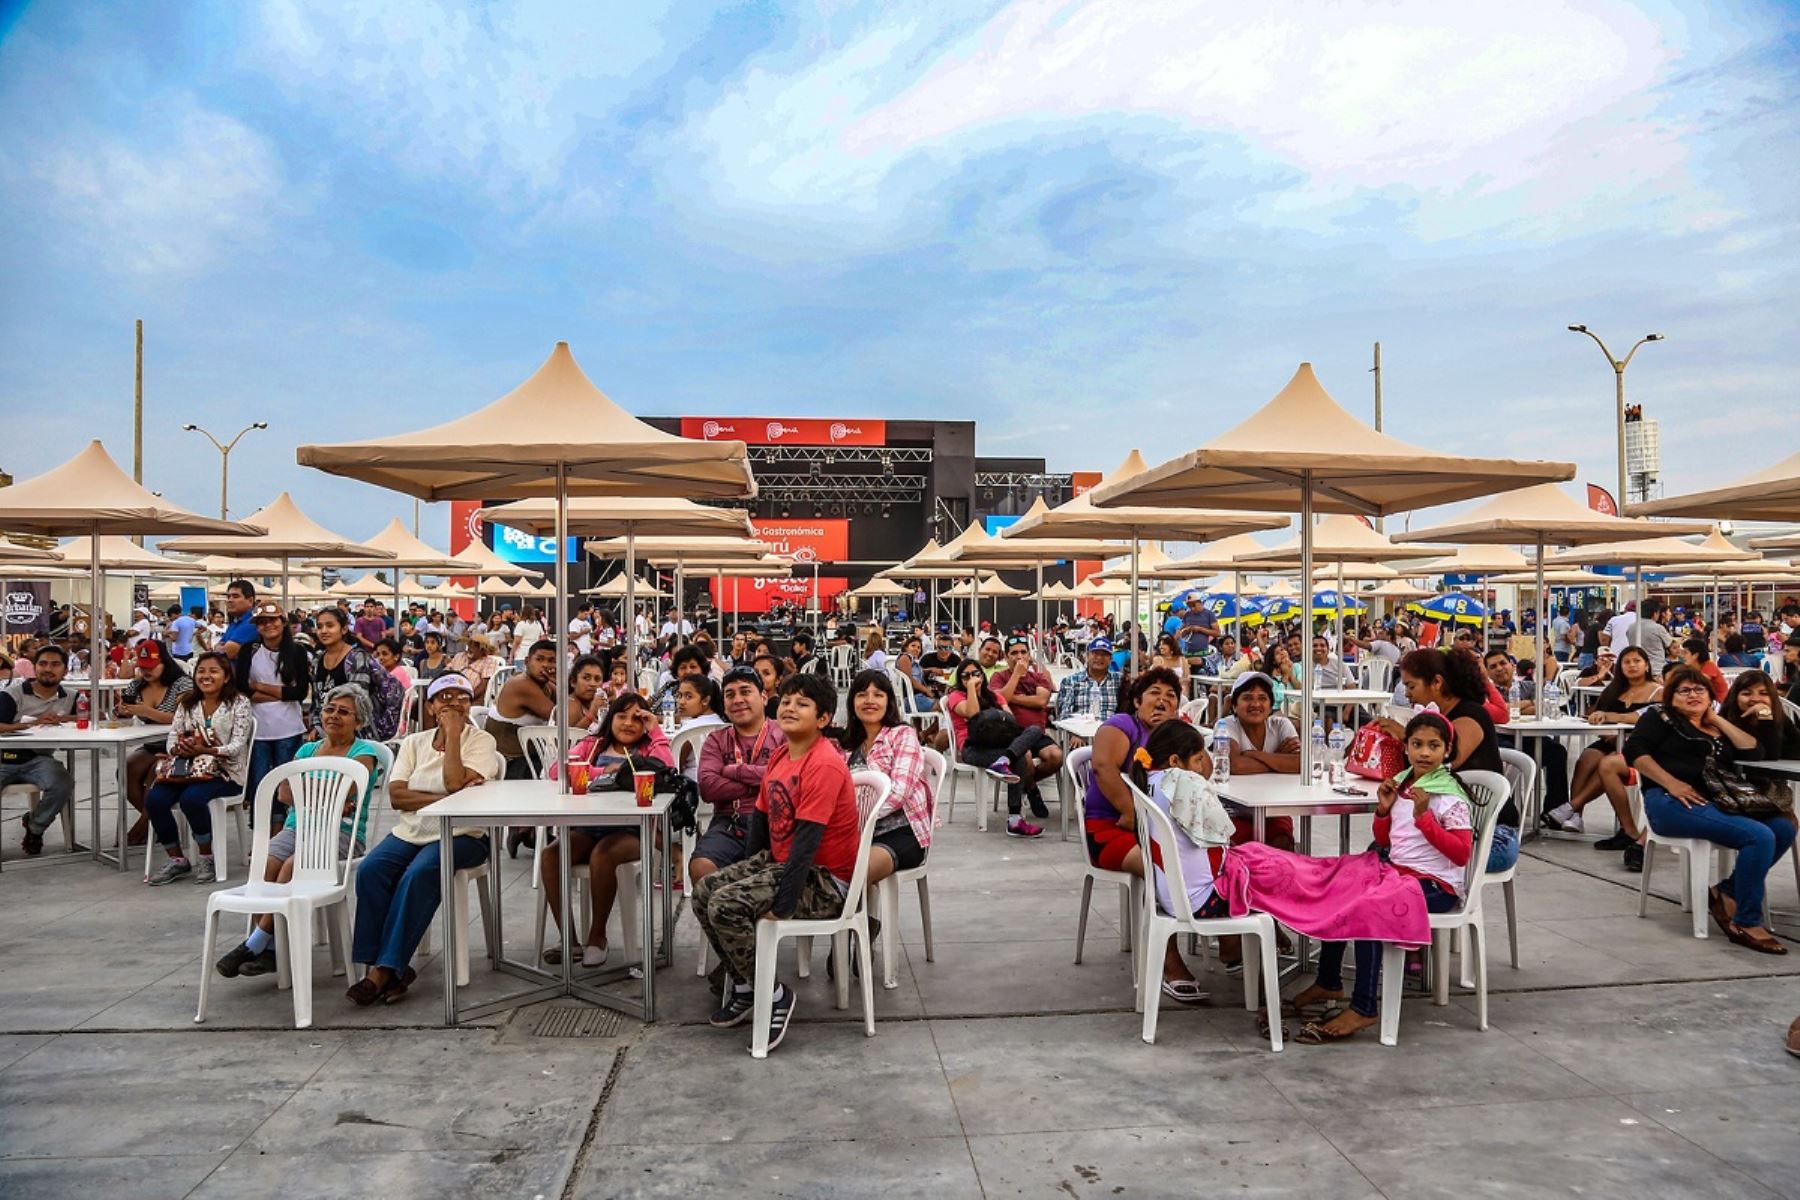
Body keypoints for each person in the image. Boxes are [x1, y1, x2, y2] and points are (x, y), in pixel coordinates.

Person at [693, 672, 861, 1052]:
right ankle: (748, 984)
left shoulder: (824, 764)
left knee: (726, 905)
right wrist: (748, 870)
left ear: (823, 719)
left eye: (802, 704)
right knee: (705, 891)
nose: (789, 707)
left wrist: (782, 907)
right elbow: (762, 821)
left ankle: (774, 994)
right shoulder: (784, 753)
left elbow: (806, 844)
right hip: (784, 863)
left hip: (824, 881)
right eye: (786, 700)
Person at [1292, 711, 1476, 1042]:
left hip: (1437, 885)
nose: (1424, 752)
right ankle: (1329, 980)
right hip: (1401, 873)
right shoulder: (1405, 782)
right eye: (1417, 744)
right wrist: (1383, 810)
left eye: (1433, 746)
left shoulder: (1447, 794)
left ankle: (1364, 1006)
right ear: (1405, 748)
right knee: (1342, 888)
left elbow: (1461, 853)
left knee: (1367, 908)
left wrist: (1425, 819)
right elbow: (1389, 840)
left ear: (1447, 751)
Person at [346, 675, 501, 1004]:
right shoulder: (414, 743)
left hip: (464, 833)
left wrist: (455, 736)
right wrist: (448, 799)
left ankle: (384, 971)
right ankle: (384, 964)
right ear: (430, 707)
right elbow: (398, 796)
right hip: (411, 831)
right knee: (372, 870)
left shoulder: (482, 741)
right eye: (443, 697)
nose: (452, 703)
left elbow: (454, 780)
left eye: (461, 697)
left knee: (419, 874)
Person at [214, 685, 384, 978]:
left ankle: (256, 944)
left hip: (340, 833)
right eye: (329, 709)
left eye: (344, 712)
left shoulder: (364, 754)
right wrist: (326, 795)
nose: (333, 716)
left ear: (359, 722)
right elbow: (284, 794)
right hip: (297, 827)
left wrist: (310, 792)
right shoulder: (307, 749)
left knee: (293, 867)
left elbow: (346, 797)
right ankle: (272, 948)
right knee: (264, 863)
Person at [1626, 664, 1794, 954]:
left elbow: (1754, 751)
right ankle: (1745, 921)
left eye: (1700, 689)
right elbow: (1634, 751)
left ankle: (1726, 892)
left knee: (1783, 826)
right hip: (1670, 802)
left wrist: (1714, 717)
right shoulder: (1660, 716)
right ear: (1671, 696)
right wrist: (1672, 783)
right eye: (1684, 690)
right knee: (1759, 836)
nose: (1693, 694)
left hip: (1716, 800)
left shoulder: (1716, 726)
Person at [538, 692, 672, 966]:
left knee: (603, 854)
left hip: (633, 831)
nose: (628, 724)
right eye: (621, 716)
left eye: (637, 718)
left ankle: (597, 936)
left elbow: (667, 769)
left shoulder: (647, 749)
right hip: (589, 826)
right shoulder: (593, 745)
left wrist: (655, 728)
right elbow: (556, 771)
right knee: (551, 855)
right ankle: (570, 940)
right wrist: (607, 773)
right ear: (610, 719)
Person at [1376, 648, 1511, 870]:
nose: (1407, 694)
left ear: (1436, 683)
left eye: (1411, 686)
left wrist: (1407, 735)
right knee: (1380, 852)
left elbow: (1449, 762)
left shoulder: (1471, 714)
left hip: (1492, 835)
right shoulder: (1437, 719)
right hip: (1444, 825)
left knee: (1384, 858)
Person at [1126, 719, 1229, 1002]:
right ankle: (1255, 960)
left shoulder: (1149, 780)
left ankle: (1236, 952)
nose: (1200, 766)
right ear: (1175, 760)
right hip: (1201, 901)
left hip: (1170, 895)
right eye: (1197, 759)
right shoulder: (1182, 782)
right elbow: (1223, 832)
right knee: (1278, 875)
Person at [1543, 645, 1661, 867]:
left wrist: (1611, 716)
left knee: (1606, 764)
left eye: (1637, 661)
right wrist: (1600, 721)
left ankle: (1571, 807)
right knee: (1588, 756)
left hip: (1639, 747)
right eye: (1627, 662)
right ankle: (1576, 815)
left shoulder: (1658, 691)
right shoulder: (1614, 690)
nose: (1632, 665)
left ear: (1646, 665)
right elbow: (1593, 714)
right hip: (1610, 741)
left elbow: (1645, 719)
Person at [144, 651, 255, 885]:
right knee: (155, 799)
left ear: (226, 677)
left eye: (213, 671)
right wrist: (180, 749)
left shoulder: (239, 703)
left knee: (192, 799)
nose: (206, 676)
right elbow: (173, 736)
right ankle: (177, 859)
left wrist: (208, 750)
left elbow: (236, 746)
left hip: (225, 772)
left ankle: (206, 856)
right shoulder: (187, 702)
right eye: (201, 671)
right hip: (186, 769)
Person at [1084, 667, 1185, 873]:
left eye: (1170, 695)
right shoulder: (1123, 724)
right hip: (1113, 826)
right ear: (1138, 702)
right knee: (1168, 867)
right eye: (1155, 692)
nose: (1162, 700)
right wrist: (1131, 814)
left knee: (1210, 861)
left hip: (1162, 828)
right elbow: (1103, 767)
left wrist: (1174, 731)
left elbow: (1204, 770)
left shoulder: (1177, 733)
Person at [692, 667, 781, 896]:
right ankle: (726, 930)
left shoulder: (782, 734)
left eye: (745, 691)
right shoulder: (717, 739)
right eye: (730, 695)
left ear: (763, 696)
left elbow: (786, 780)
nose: (738, 700)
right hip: (730, 823)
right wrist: (760, 780)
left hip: (776, 823)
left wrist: (734, 771)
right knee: (701, 867)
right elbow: (709, 787)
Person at [840, 670, 934, 887]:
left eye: (878, 694)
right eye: (862, 694)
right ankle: (862, 921)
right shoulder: (847, 745)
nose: (869, 701)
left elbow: (899, 791)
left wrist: (858, 819)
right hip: (856, 833)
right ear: (852, 702)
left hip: (901, 831)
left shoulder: (902, 735)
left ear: (889, 702)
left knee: (851, 874)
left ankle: (854, 920)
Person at [947, 658, 1056, 836]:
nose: (972, 678)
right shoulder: (956, 696)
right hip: (973, 747)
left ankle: (1005, 759)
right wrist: (971, 690)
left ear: (982, 676)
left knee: (1034, 730)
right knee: (1019, 758)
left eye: (976, 674)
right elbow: (972, 715)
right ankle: (1015, 819)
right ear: (960, 680)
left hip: (1000, 742)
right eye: (966, 676)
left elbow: (1010, 720)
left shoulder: (994, 696)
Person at [235, 602, 310, 830]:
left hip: (289, 726)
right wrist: (278, 693)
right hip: (259, 728)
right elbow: (242, 687)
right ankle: (261, 831)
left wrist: (260, 686)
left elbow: (299, 692)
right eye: (262, 622)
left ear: (283, 622)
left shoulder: (297, 652)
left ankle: (283, 831)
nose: (268, 625)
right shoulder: (249, 650)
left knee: (285, 780)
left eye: (273, 620)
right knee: (259, 781)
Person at [0, 645, 79, 855]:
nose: (48, 669)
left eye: (55, 664)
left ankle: (35, 827)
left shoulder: (70, 696)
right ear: (34, 668)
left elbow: (92, 716)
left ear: (65, 670)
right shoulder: (13, 694)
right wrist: (32, 723)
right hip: (4, 758)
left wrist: (62, 719)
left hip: (38, 759)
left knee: (62, 782)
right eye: (43, 663)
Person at [118, 642, 193, 846]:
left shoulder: (182, 683)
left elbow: (181, 717)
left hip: (179, 744)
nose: (147, 671)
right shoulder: (136, 685)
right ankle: (157, 822)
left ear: (164, 663)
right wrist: (123, 710)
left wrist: (146, 712)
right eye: (143, 666)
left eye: (152, 665)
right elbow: (124, 710)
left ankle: (143, 825)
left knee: (157, 773)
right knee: (126, 770)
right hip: (150, 742)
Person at [1484, 648, 1571, 817]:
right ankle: (1508, 810)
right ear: (1488, 672)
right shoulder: (1488, 693)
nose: (1500, 668)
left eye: (1503, 663)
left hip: (1531, 737)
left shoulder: (1530, 686)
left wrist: (1517, 707)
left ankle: (1555, 811)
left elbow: (1543, 707)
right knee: (1510, 755)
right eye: (1493, 666)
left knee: (1557, 752)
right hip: (1502, 738)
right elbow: (1503, 712)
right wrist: (1527, 704)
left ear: (1512, 665)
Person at [488, 639, 557, 784]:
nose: (545, 665)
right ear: (527, 661)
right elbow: (560, 717)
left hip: (532, 758)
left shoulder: (546, 684)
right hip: (511, 765)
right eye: (539, 659)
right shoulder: (521, 684)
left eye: (551, 660)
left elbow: (570, 702)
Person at [308, 606, 380, 738]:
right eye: (319, 626)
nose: (323, 631)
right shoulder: (317, 660)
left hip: (355, 734)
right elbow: (317, 700)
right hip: (327, 732)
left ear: (344, 629)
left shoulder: (356, 658)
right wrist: (316, 727)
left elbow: (358, 699)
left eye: (330, 626)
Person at [1725, 670, 1800, 761]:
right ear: (1735, 697)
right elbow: (1770, 755)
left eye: (1764, 693)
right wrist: (1765, 715)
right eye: (1747, 694)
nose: (1756, 699)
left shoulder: (1779, 716)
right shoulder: (1726, 721)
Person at [1055, 637, 1121, 724]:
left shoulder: (1119, 681)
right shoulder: (1071, 682)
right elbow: (1064, 715)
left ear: (1111, 659)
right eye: (1095, 653)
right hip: (1080, 730)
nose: (1099, 657)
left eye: (1104, 654)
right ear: (1086, 656)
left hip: (1112, 731)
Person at [672, 674, 726, 777]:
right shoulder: (720, 722)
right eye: (679, 695)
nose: (681, 702)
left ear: (705, 700)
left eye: (689, 696)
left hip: (691, 783)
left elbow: (676, 764)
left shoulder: (691, 728)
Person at [449, 634, 504, 703]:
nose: (470, 648)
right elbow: (446, 671)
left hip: (473, 698)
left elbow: (484, 684)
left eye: (475, 646)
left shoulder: (489, 661)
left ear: (483, 650)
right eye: (469, 645)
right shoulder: (459, 656)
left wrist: (469, 698)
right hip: (450, 693)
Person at [217, 579, 260, 661]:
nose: (229, 600)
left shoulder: (252, 622)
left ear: (250, 601)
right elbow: (219, 646)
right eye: (228, 597)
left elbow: (226, 654)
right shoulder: (235, 622)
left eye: (235, 596)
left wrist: (219, 648)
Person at [566, 654, 609, 734]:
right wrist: (592, 714)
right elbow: (569, 742)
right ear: (573, 682)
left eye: (597, 679)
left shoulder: (593, 704)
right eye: (586, 678)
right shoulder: (570, 705)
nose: (592, 684)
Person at [1677, 636, 1728, 701]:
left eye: (1685, 653)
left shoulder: (1709, 665)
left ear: (1695, 655)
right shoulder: (1691, 668)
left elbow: (1698, 683)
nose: (1682, 656)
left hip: (1719, 703)